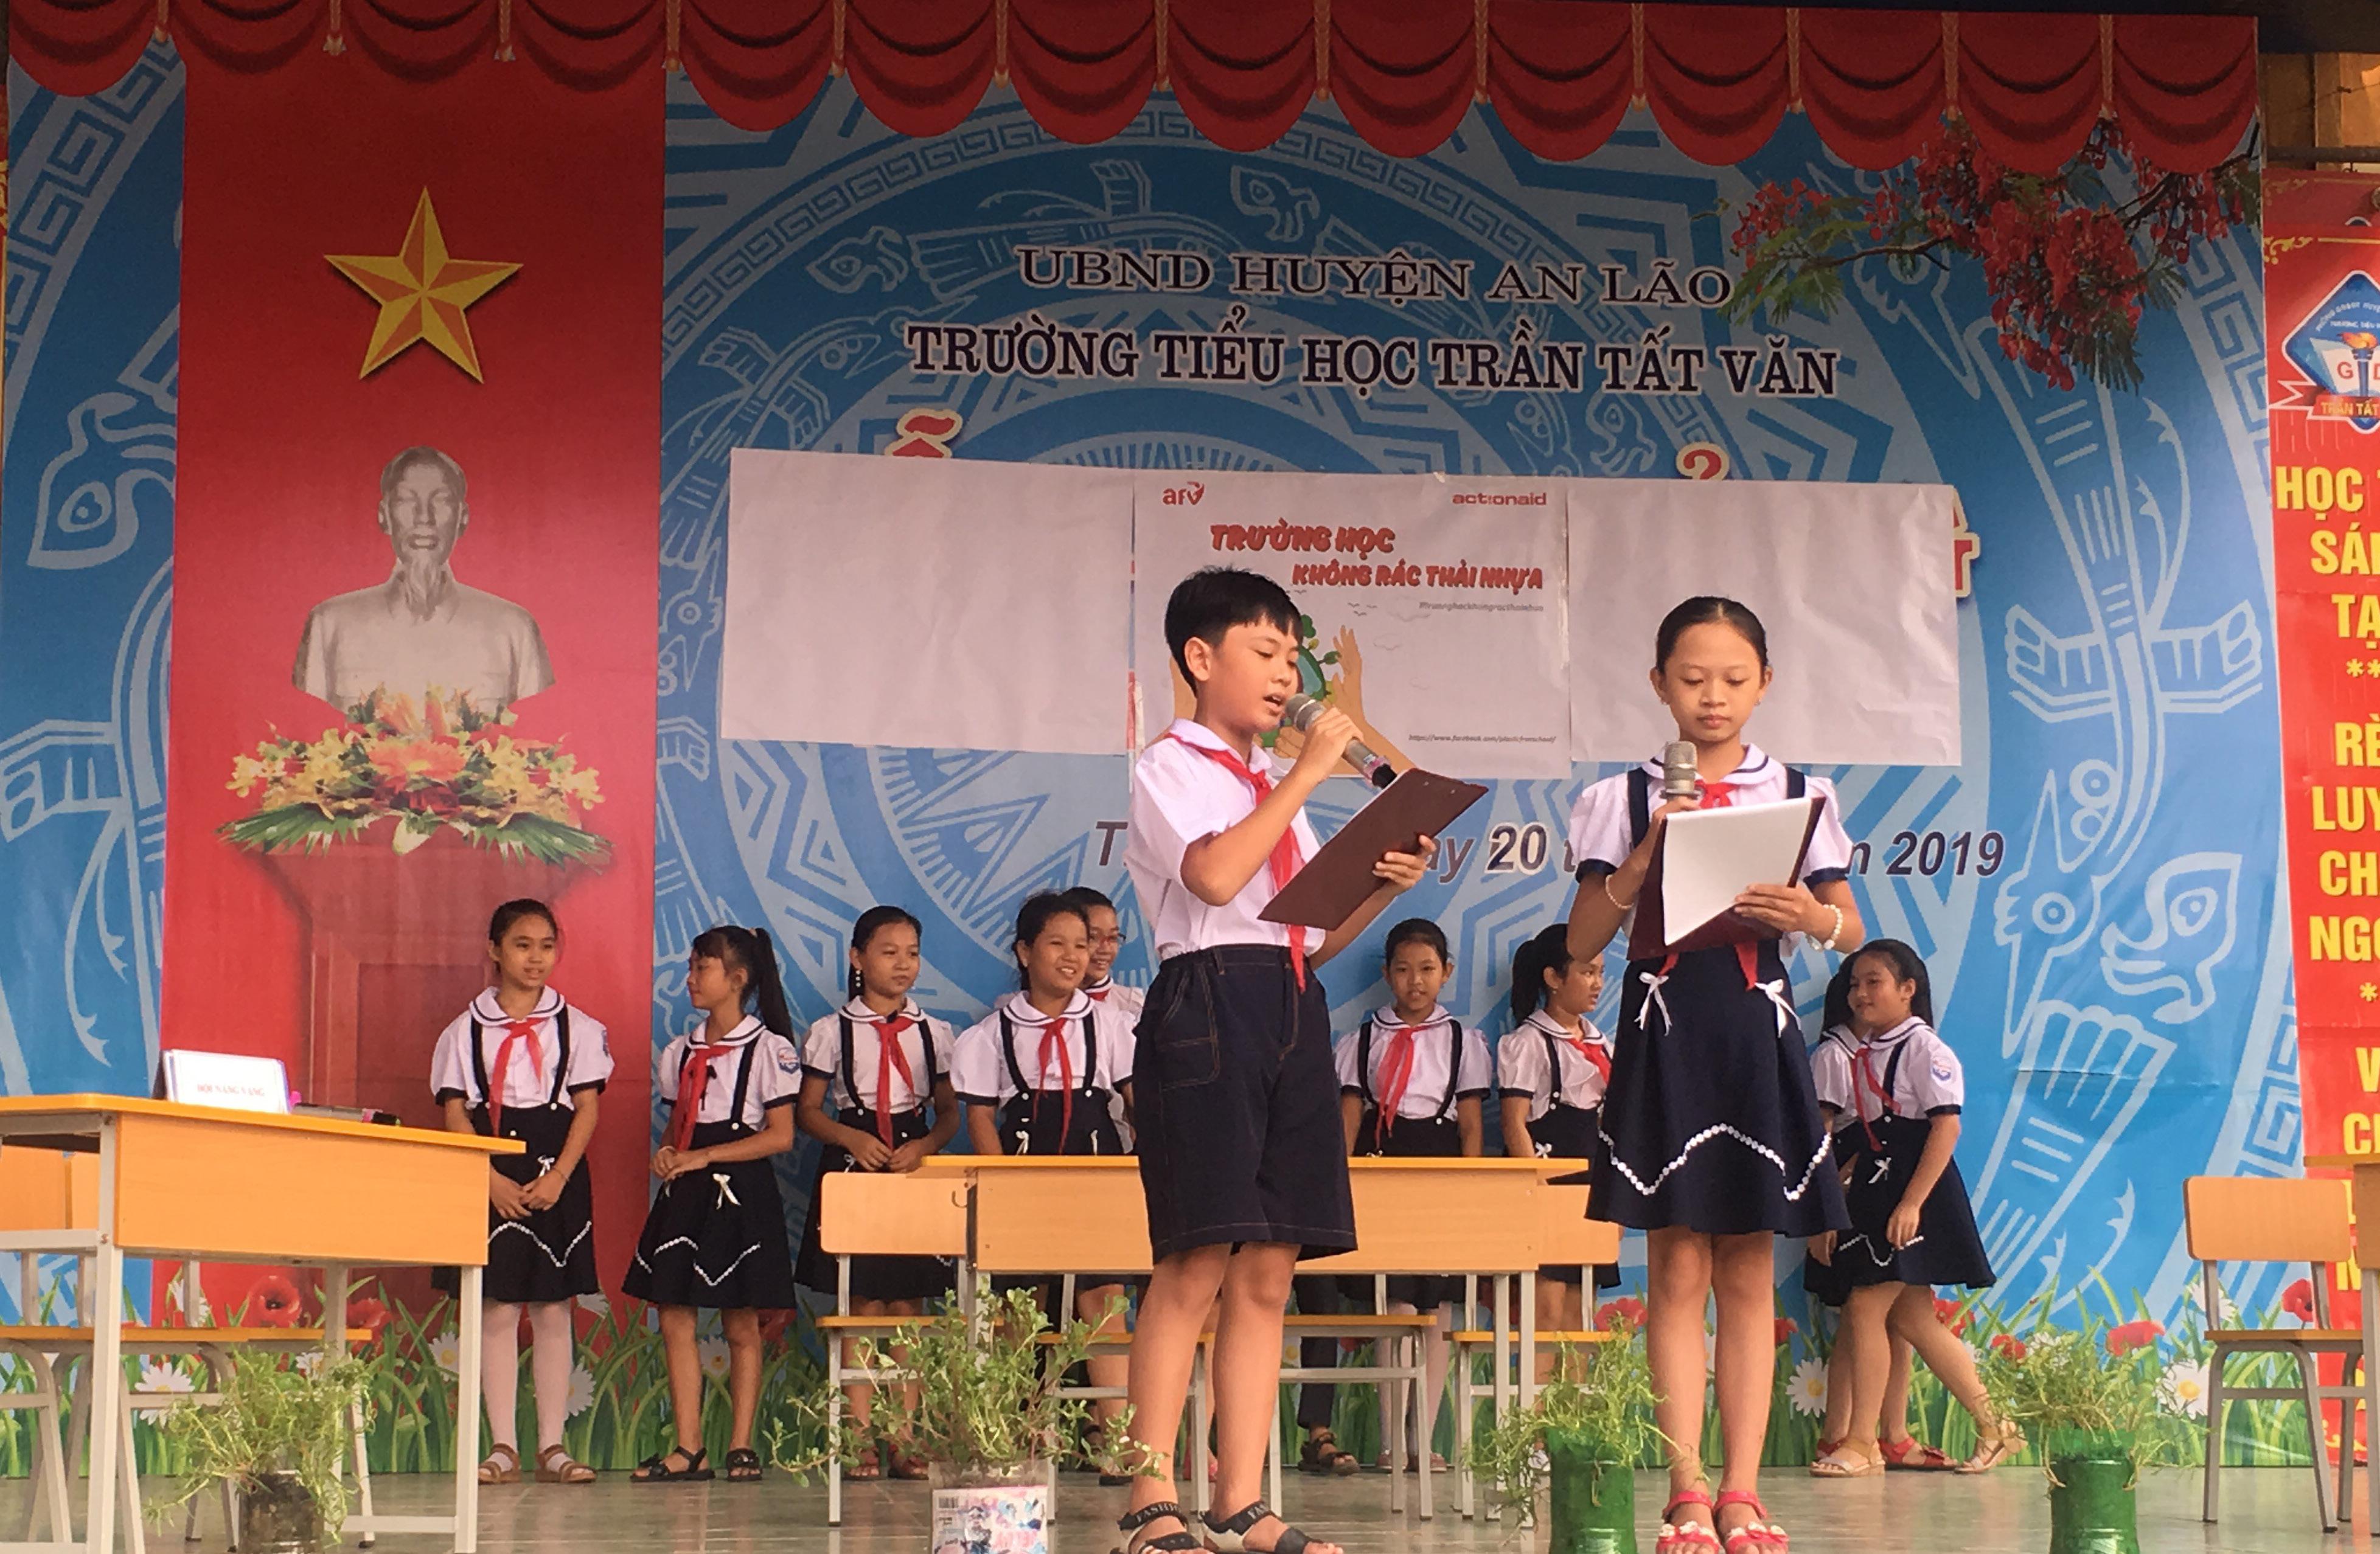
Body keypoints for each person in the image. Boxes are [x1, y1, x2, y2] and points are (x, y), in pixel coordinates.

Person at [1116, 567, 1434, 1554]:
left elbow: (1307, 939)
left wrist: (1381, 889)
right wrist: (1305, 772)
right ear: (1199, 657)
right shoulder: (1170, 765)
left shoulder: (1273, 790)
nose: (1287, 674)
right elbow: (1214, 877)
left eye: (1293, 656)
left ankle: (1240, 1499)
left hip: (1291, 1001)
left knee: (1269, 1267)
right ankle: (1149, 1494)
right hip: (1207, 1004)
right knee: (1196, 1257)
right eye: (1265, 652)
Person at [1562, 595, 1861, 1554]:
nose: (1713, 696)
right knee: (1678, 1263)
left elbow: (1849, 924)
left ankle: (1742, 1489)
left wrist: (1808, 916)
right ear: (1659, 684)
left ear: (1765, 682)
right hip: (1668, 1029)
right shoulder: (1624, 796)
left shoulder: (1801, 793)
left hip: (1754, 1033)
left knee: (1746, 1264)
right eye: (1692, 678)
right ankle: (1685, 1486)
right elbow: (1582, 939)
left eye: (1734, 678)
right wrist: (1648, 854)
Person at [1805, 941, 2020, 1478]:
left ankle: (1862, 1441)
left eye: (1873, 981)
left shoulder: (1926, 1048)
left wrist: (1912, 1203)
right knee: (1914, 1318)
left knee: (1864, 1307)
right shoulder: (1863, 1050)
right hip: (1877, 1188)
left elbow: (1946, 1127)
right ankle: (1997, 1425)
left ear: (1908, 989)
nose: (1860, 994)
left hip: (1913, 1191)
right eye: (1855, 984)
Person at [429, 898, 609, 1488]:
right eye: (523, 945)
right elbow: (456, 1112)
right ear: (495, 949)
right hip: (490, 1168)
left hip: (556, 1171)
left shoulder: (578, 1028)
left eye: (547, 946)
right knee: (498, 1306)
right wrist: (488, 1178)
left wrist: (559, 1177)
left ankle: (552, 1444)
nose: (536, 958)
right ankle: (502, 1444)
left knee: (553, 1307)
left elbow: (587, 1109)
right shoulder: (463, 1030)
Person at [953, 892, 1137, 1465]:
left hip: (1097, 1172)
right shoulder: (992, 1034)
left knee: (1103, 1300)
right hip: (1023, 1175)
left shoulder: (1112, 1025)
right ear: (1024, 951)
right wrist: (1003, 1185)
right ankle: (1021, 1433)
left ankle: (1118, 1440)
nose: (1073, 956)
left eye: (1082, 945)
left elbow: (1136, 1104)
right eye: (1057, 943)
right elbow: (981, 1118)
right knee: (1021, 1305)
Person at [624, 925, 802, 1485]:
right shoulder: (681, 1051)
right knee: (674, 1311)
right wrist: (668, 1152)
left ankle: (741, 1444)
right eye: (691, 966)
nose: (691, 978)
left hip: (739, 1189)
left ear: (738, 978)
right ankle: (689, 1446)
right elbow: (678, 1125)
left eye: (703, 967)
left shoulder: (769, 1049)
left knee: (741, 1318)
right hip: (688, 1189)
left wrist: (705, 1156)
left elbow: (780, 1136)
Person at [792, 905, 961, 1480]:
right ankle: (859, 1435)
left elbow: (948, 1114)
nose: (903, 964)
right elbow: (808, 1110)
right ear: (857, 958)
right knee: (861, 1303)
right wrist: (850, 1137)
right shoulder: (830, 1031)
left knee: (909, 1307)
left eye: (912, 953)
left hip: (910, 1165)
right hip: (853, 1165)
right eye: (889, 952)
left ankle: (905, 1435)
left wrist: (927, 1146)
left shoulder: (935, 1033)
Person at [1335, 917, 1488, 1472]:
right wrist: (1344, 1181)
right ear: (1387, 974)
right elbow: (1349, 1118)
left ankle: (1424, 1439)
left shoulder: (1463, 1042)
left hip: (1441, 1172)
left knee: (1437, 1307)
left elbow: (1470, 1125)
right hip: (1382, 1169)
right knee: (1394, 1302)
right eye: (1403, 969)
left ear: (1446, 972)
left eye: (1427, 969)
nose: (1415, 981)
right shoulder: (1362, 1040)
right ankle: (1390, 1441)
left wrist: (1469, 1189)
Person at [292, 445, 553, 715]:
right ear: (384, 515)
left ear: (463, 517)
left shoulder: (515, 630)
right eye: (407, 500)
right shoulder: (329, 625)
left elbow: (540, 733)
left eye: (441, 500)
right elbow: (305, 730)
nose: (424, 517)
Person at [1497, 922, 1619, 1378]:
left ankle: (1574, 1416)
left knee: (1579, 1309)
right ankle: (1535, 1418)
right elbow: (1515, 1122)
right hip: (1547, 1185)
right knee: (1545, 1309)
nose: (1597, 983)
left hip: (1591, 1185)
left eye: (1600, 973)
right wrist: (1535, 1190)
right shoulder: (1527, 1043)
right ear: (1553, 978)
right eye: (1587, 972)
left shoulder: (1603, 1045)